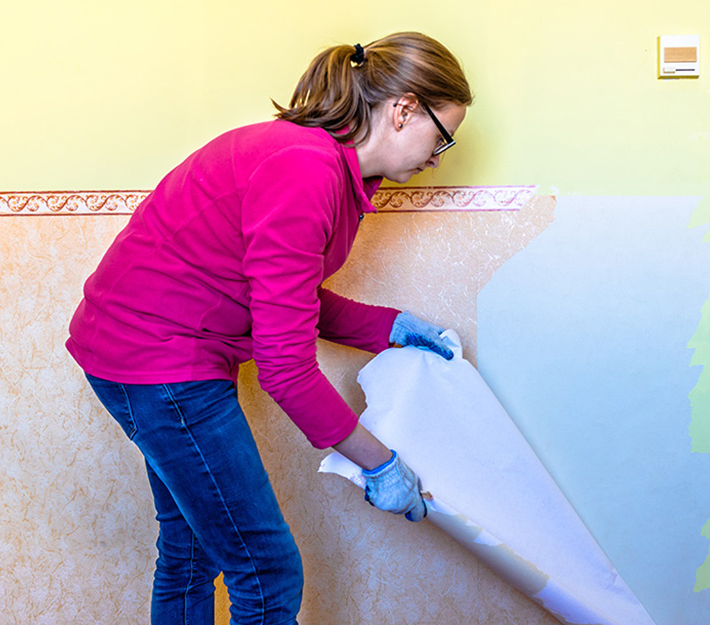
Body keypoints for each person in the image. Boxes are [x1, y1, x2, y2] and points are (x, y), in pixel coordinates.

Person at [66, 31, 472, 624]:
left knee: (192, 547)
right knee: (267, 572)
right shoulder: (305, 170)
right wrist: (378, 463)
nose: (438, 156)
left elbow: (287, 296)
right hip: (157, 363)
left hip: (144, 353)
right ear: (404, 108)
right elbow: (286, 369)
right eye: (443, 136)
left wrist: (392, 327)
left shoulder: (324, 167)